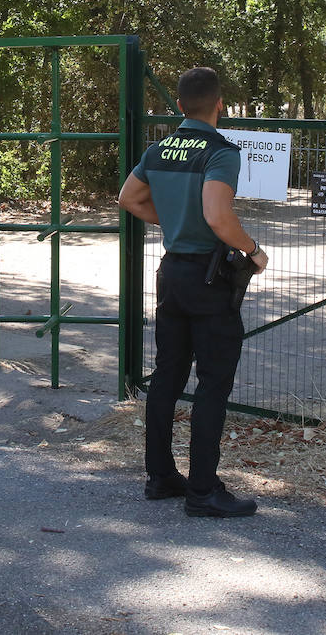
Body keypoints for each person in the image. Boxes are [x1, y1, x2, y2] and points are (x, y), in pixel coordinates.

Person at [117, 66, 268, 518]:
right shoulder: (221, 152)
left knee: (167, 377)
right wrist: (254, 251)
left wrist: (175, 223)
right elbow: (219, 217)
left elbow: (129, 197)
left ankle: (161, 477)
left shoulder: (159, 149)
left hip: (172, 275)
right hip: (209, 279)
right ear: (219, 104)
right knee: (213, 384)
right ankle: (203, 490)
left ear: (180, 105)